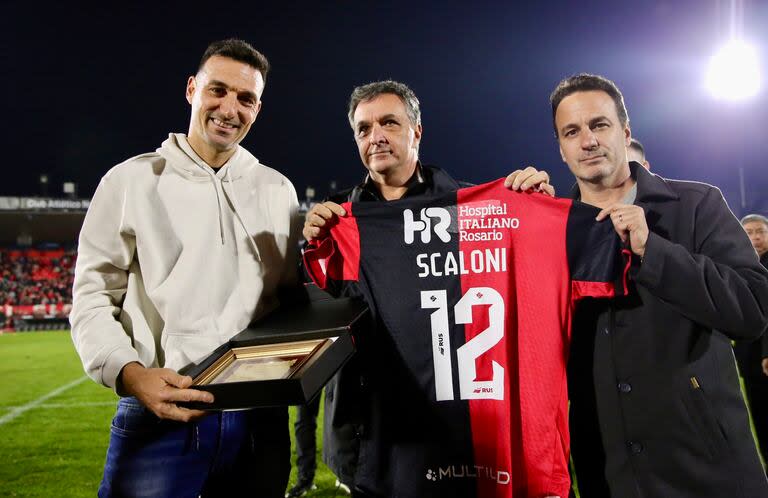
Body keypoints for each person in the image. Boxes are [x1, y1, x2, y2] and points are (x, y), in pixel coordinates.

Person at [303, 80, 557, 497]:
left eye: (389, 122)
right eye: (364, 129)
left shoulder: (473, 211)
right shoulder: (339, 224)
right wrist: (315, 248)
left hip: (459, 433)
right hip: (375, 438)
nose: (376, 136)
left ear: (416, 131)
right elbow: (314, 311)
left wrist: (533, 211)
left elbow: (531, 275)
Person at [70, 39, 300, 498]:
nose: (229, 108)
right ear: (192, 89)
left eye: (245, 98)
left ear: (258, 108)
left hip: (259, 420)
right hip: (163, 412)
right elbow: (92, 295)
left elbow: (290, 303)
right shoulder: (130, 180)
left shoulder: (278, 190)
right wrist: (132, 374)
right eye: (218, 90)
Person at [550, 73, 768, 497]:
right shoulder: (551, 229)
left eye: (599, 125)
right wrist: (521, 211)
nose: (588, 141)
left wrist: (655, 252)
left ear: (625, 132)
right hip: (610, 472)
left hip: (707, 469)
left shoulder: (697, 203)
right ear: (560, 148)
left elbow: (753, 310)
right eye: (572, 132)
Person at [734, 213, 768, 468]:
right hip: (750, 358)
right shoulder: (739, 265)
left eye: (760, 232)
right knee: (760, 416)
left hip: (765, 354)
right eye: (748, 232)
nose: (755, 237)